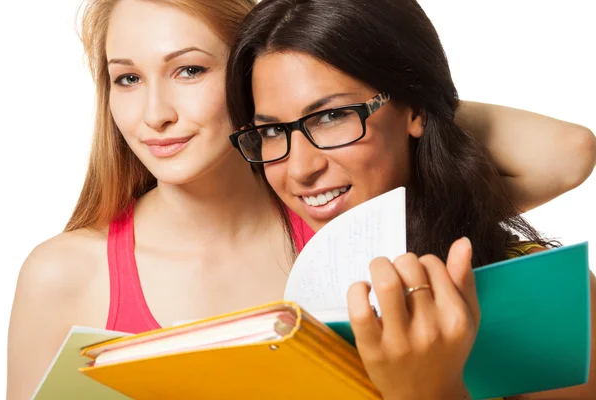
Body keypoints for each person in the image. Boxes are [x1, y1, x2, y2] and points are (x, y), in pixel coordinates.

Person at [6, 0, 594, 399]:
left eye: (188, 70)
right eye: (126, 78)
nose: (155, 114)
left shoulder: (353, 219)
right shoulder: (62, 274)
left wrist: (386, 93)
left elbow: (568, 153)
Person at [225, 0, 596, 398]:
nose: (299, 169)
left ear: (413, 108)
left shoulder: (536, 292)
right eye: (272, 131)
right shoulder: (259, 292)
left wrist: (431, 390)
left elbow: (571, 151)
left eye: (332, 116)